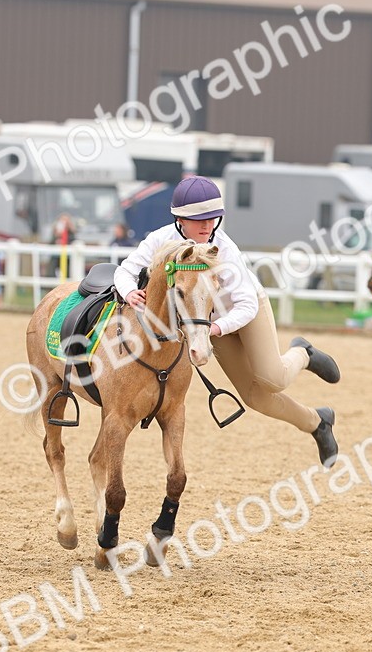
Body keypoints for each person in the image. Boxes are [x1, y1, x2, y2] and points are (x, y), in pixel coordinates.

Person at [113, 176, 342, 468]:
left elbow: (246, 304)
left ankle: (303, 353)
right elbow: (124, 271)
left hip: (243, 312)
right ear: (179, 219)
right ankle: (318, 422)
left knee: (273, 379)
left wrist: (215, 329)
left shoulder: (225, 249)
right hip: (206, 321)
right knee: (255, 398)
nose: (207, 226)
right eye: (199, 220)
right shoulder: (160, 240)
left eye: (212, 218)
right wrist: (129, 291)